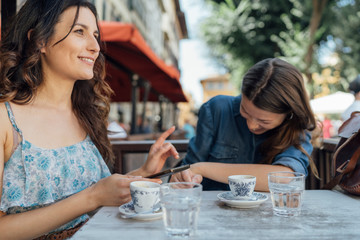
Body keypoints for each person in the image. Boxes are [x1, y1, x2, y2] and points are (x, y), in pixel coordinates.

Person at [0, 1, 179, 239]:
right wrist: (91, 197)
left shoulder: (85, 114)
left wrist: (144, 172)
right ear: (40, 40)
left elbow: (101, 193)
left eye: (95, 35)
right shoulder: (5, 119)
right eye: (79, 31)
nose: (95, 46)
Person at [171, 58, 319, 191]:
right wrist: (182, 178)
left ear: (289, 113)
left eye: (264, 121)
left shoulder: (297, 125)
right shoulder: (216, 109)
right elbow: (188, 170)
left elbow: (285, 178)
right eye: (245, 111)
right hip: (213, 211)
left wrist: (202, 168)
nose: (252, 125)